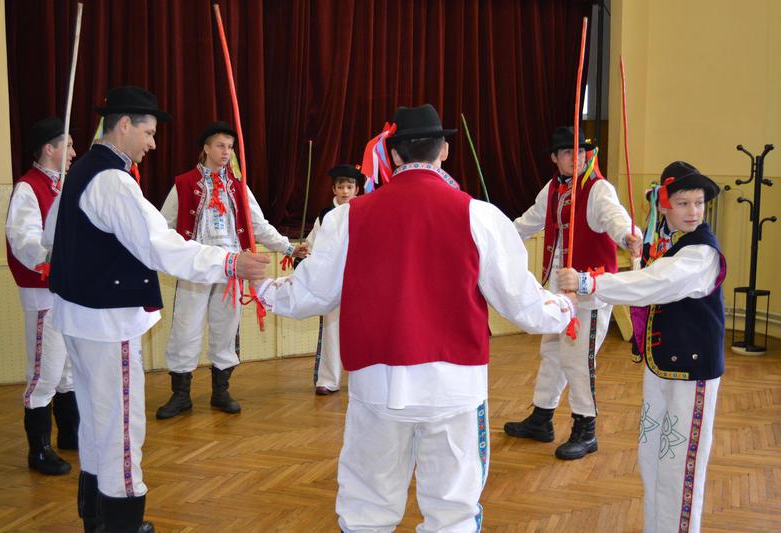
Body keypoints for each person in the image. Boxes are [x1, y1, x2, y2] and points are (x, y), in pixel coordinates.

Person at [254, 104, 576, 531]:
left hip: (377, 383)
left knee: (368, 504)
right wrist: (564, 306)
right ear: (444, 150)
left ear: (394, 155)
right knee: (452, 510)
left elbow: (308, 295)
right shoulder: (479, 215)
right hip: (454, 385)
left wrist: (260, 286)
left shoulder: (349, 217)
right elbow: (522, 304)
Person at [44, 86, 269, 533]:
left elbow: (51, 235)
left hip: (78, 318)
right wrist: (229, 262)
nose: (151, 144)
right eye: (148, 133)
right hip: (108, 323)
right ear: (125, 125)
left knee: (96, 420)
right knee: (122, 427)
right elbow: (160, 245)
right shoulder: (113, 180)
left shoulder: (81, 170)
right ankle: (124, 522)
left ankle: (96, 518)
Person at [557, 161, 725, 533]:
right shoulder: (669, 243)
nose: (693, 211)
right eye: (683, 203)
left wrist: (589, 284)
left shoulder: (701, 253)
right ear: (665, 206)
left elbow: (655, 284)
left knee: (681, 466)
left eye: (698, 203)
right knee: (652, 457)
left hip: (692, 371)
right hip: (661, 365)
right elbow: (646, 276)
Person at [503, 126, 643, 460]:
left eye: (580, 152)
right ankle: (541, 417)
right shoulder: (553, 187)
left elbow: (615, 217)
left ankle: (586, 428)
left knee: (579, 360)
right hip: (558, 290)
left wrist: (628, 236)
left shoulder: (598, 188)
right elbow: (528, 222)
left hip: (589, 291)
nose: (576, 158)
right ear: (555, 158)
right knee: (552, 352)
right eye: (568, 152)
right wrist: (496, 235)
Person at [155, 121, 307, 419]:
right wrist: (174, 255)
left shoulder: (238, 186)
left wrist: (289, 248)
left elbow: (259, 226)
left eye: (230, 147)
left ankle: (221, 391)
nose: (226, 152)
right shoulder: (184, 184)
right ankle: (181, 395)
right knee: (186, 327)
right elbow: (163, 226)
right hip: (196, 268)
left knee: (226, 327)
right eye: (220, 146)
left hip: (231, 268)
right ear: (206, 148)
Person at [5, 117, 79, 476]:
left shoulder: (63, 185)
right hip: (43, 292)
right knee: (44, 371)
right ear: (49, 148)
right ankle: (39, 450)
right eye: (68, 145)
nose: (74, 152)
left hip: (67, 291)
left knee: (67, 368)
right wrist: (53, 259)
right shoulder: (28, 187)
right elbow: (24, 239)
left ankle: (69, 433)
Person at [304, 164, 363, 396]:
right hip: (332, 278)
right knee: (331, 327)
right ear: (334, 189)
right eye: (341, 187)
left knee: (363, 328)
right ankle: (328, 379)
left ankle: (364, 380)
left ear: (357, 189)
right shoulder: (325, 215)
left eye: (350, 187)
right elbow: (313, 243)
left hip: (359, 278)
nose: (345, 191)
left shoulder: (364, 210)